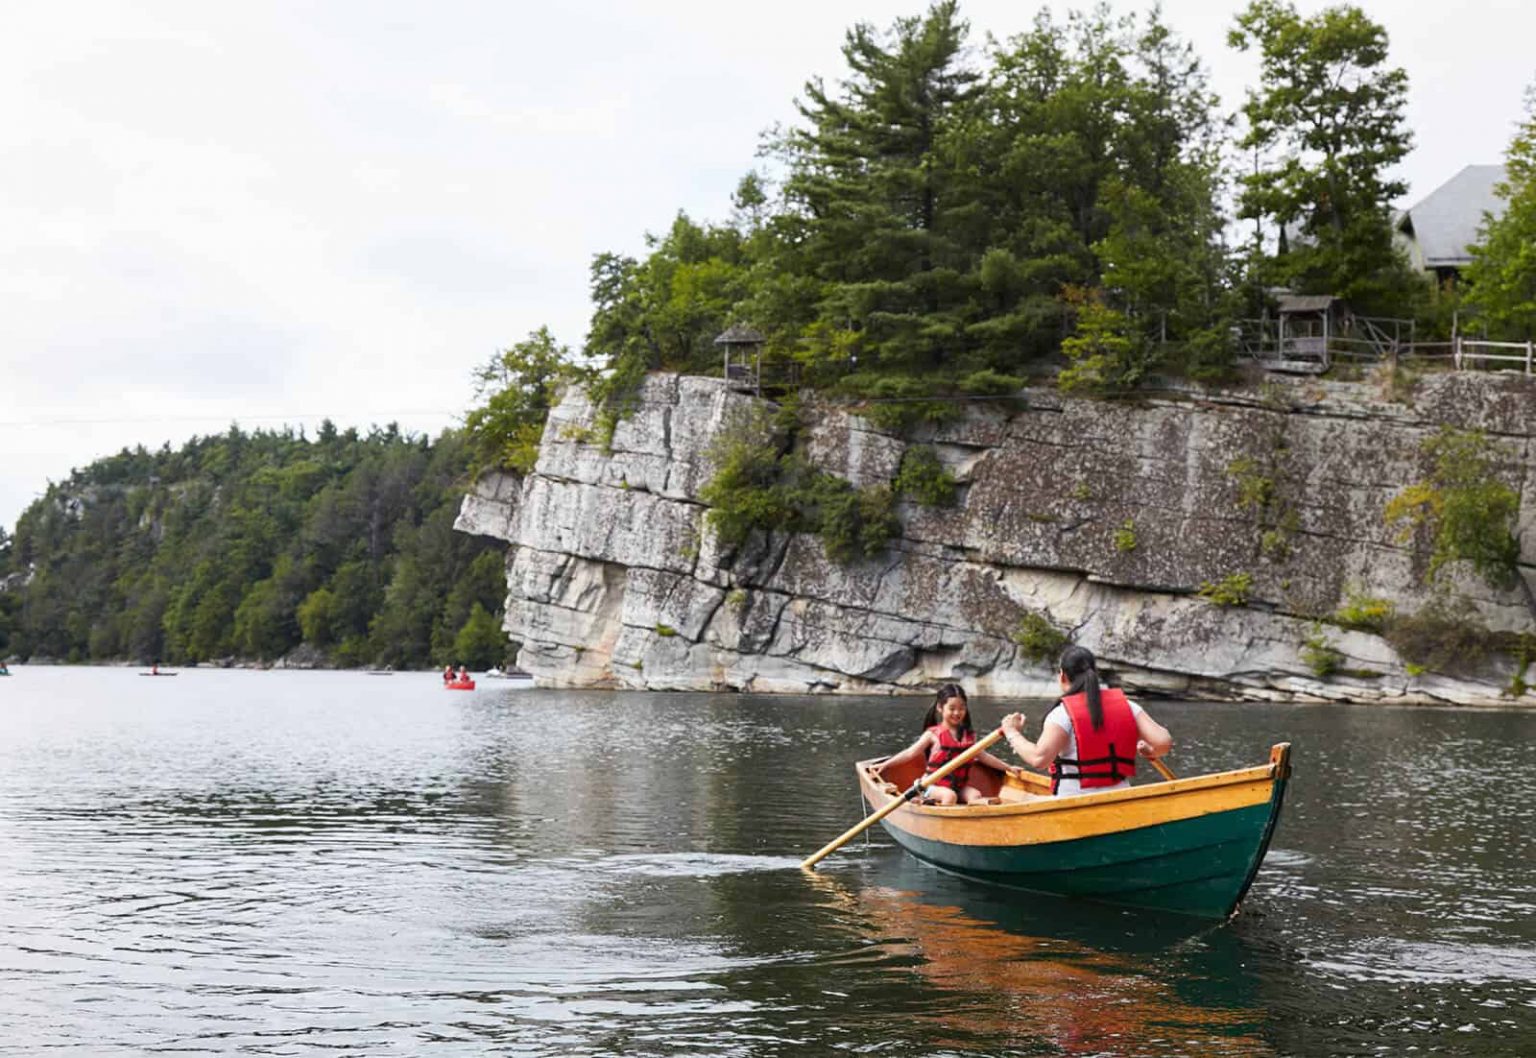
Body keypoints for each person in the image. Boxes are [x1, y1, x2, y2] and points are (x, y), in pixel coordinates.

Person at [1000, 645, 1172, 796]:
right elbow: (1163, 742)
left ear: (1062, 676)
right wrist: (1151, 751)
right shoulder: (1128, 706)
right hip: (1121, 798)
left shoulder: (1062, 713)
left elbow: (1039, 759)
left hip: (1075, 802)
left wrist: (1011, 732)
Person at [875, 683, 1023, 805]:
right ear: (940, 708)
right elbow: (910, 753)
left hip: (958, 787)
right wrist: (887, 764)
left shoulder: (968, 736)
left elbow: (983, 756)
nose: (957, 713)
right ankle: (926, 803)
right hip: (929, 786)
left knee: (975, 794)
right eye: (952, 708)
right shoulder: (932, 734)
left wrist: (1008, 767)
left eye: (961, 708)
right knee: (949, 796)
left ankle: (974, 811)